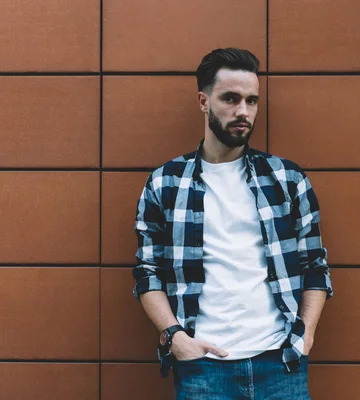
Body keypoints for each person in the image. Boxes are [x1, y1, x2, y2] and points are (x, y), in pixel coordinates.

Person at [132, 48, 332, 400]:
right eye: (231, 98)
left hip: (280, 362)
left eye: (252, 101)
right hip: (203, 366)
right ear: (203, 101)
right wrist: (175, 337)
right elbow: (148, 272)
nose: (243, 111)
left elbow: (314, 265)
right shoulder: (165, 183)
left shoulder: (286, 179)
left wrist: (306, 335)